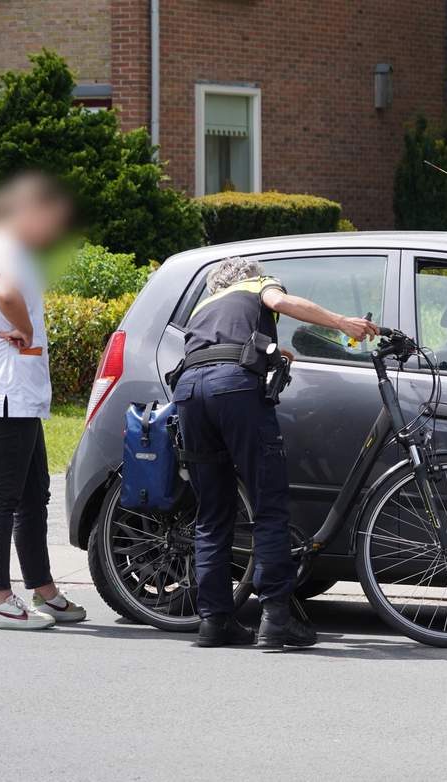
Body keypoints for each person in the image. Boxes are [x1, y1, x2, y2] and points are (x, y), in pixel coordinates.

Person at [174, 257, 378, 648]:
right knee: (268, 504)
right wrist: (342, 323)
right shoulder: (257, 285)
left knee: (212, 512)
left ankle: (214, 622)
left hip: (189, 391)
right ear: (249, 276)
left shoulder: (206, 304)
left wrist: (271, 349)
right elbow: (280, 303)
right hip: (233, 388)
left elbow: (220, 346)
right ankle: (276, 619)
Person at [0, 172, 86, 630]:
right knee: (3, 496)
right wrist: (28, 331)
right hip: (5, 389)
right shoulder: (5, 244)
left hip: (17, 391)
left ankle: (44, 590)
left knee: (33, 495)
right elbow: (5, 292)